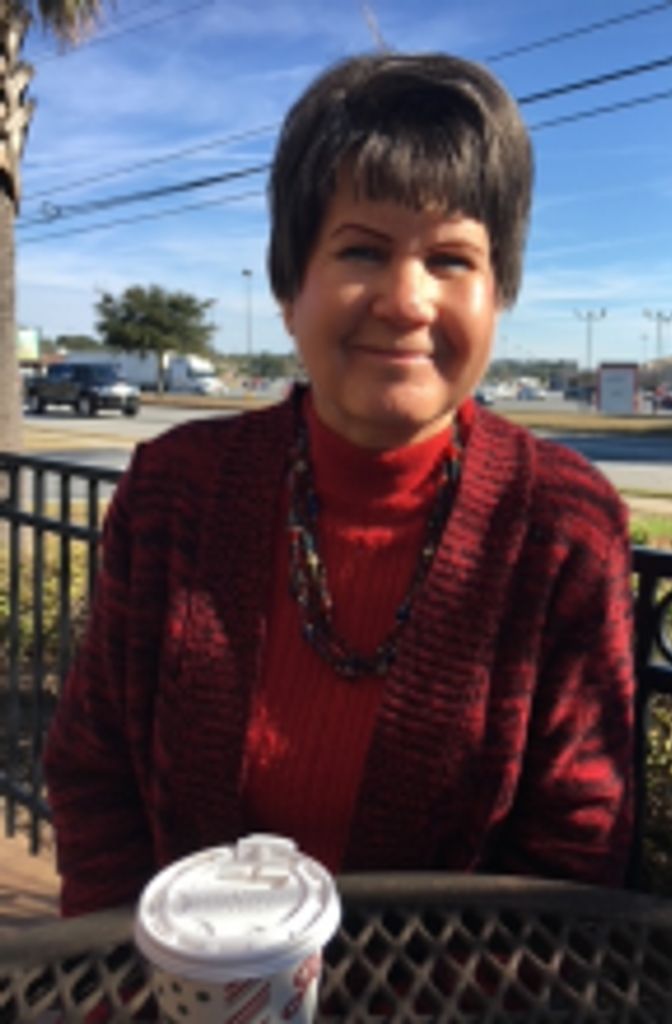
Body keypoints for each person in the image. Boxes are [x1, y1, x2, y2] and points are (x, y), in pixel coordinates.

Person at [44, 52, 635, 917]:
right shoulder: (173, 489)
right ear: (289, 288)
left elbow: (573, 849)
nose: (406, 300)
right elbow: (94, 772)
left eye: (451, 259)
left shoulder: (564, 523)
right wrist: (140, 974)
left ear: (499, 294)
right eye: (361, 249)